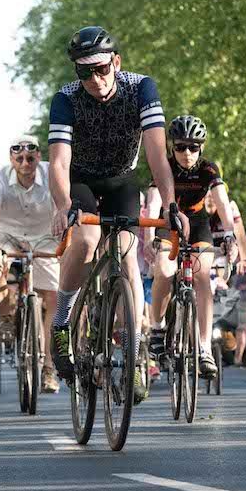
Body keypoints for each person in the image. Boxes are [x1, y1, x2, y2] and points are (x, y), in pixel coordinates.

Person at [47, 25, 188, 403]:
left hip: (121, 180)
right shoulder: (66, 99)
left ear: (116, 62)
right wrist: (64, 207)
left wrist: (171, 204)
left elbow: (158, 155)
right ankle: (62, 322)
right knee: (88, 239)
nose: (95, 79)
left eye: (102, 69)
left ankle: (132, 353)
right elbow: (59, 163)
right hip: (80, 183)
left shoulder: (141, 88)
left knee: (126, 255)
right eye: (84, 72)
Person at [142, 115, 238, 378]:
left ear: (201, 148)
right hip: (168, 222)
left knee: (202, 278)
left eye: (193, 147)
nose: (187, 153)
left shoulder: (209, 170)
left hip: (197, 224)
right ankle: (158, 327)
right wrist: (149, 236)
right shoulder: (164, 167)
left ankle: (204, 347)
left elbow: (222, 202)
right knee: (164, 269)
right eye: (181, 147)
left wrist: (230, 235)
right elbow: (152, 203)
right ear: (172, 148)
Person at [0, 134, 61, 394]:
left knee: (53, 298)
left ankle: (49, 368)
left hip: (45, 237)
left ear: (38, 157)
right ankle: (6, 315)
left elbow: (64, 206)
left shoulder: (51, 173)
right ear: (11, 159)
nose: (25, 163)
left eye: (30, 157)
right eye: (19, 158)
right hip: (9, 236)